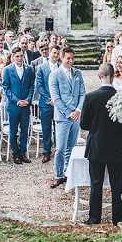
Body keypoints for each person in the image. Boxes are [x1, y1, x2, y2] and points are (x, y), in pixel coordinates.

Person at [80, 63, 122, 226]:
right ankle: (118, 217)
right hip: (116, 145)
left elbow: (84, 125)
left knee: (96, 183)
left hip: (97, 145)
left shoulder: (90, 97)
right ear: (113, 76)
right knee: (117, 184)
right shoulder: (121, 97)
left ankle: (94, 218)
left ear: (99, 76)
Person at [49, 47, 86, 188]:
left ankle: (68, 173)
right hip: (63, 117)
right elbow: (56, 98)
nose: (70, 61)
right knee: (60, 148)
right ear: (62, 58)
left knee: (71, 147)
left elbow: (83, 93)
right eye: (67, 58)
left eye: (72, 58)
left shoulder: (78, 73)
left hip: (76, 116)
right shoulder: (55, 75)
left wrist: (78, 110)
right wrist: (68, 112)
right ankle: (58, 175)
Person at [2, 47, 35, 164]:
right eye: (17, 56)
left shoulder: (30, 69)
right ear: (12, 57)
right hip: (13, 106)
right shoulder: (7, 70)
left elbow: (32, 86)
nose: (19, 58)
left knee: (25, 130)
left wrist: (28, 99)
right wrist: (17, 101)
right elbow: (6, 87)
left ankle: (23, 153)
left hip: (26, 105)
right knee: (13, 130)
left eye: (21, 56)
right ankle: (15, 154)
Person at [35, 45, 60, 163]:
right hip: (46, 103)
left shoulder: (62, 67)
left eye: (57, 53)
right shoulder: (41, 67)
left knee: (59, 127)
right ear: (49, 53)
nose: (56, 55)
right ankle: (46, 152)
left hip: (59, 104)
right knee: (46, 128)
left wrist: (58, 100)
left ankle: (59, 150)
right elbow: (39, 85)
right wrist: (49, 98)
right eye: (54, 53)